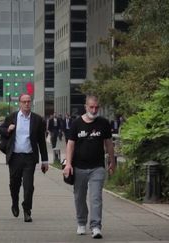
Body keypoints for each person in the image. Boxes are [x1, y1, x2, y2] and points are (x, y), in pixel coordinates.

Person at [63, 95, 116, 239]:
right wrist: (68, 164)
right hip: (79, 167)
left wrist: (112, 161)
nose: (94, 110)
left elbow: (109, 143)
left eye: (96, 107)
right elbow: (70, 144)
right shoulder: (76, 123)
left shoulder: (103, 123)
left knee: (95, 197)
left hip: (97, 167)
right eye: (91, 107)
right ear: (86, 107)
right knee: (79, 197)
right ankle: (81, 223)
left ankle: (96, 227)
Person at [0, 94, 49, 222]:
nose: (26, 104)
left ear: (31, 103)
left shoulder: (37, 120)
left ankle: (27, 210)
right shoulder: (12, 117)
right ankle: (15, 202)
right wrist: (8, 129)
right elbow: (0, 129)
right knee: (14, 184)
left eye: (28, 102)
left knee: (29, 186)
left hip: (29, 158)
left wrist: (45, 160)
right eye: (24, 102)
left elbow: (41, 141)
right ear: (19, 103)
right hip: (14, 157)